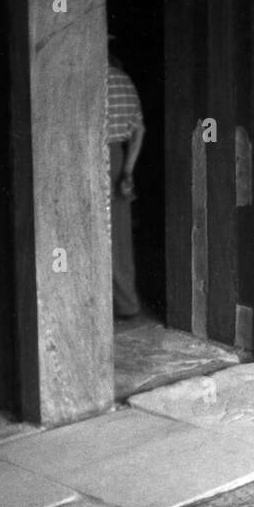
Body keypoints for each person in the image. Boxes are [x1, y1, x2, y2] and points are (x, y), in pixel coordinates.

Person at [107, 45, 145, 318]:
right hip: (117, 155)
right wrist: (127, 171)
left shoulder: (85, 77)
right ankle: (127, 304)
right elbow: (139, 129)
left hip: (88, 154)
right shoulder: (124, 80)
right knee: (118, 236)